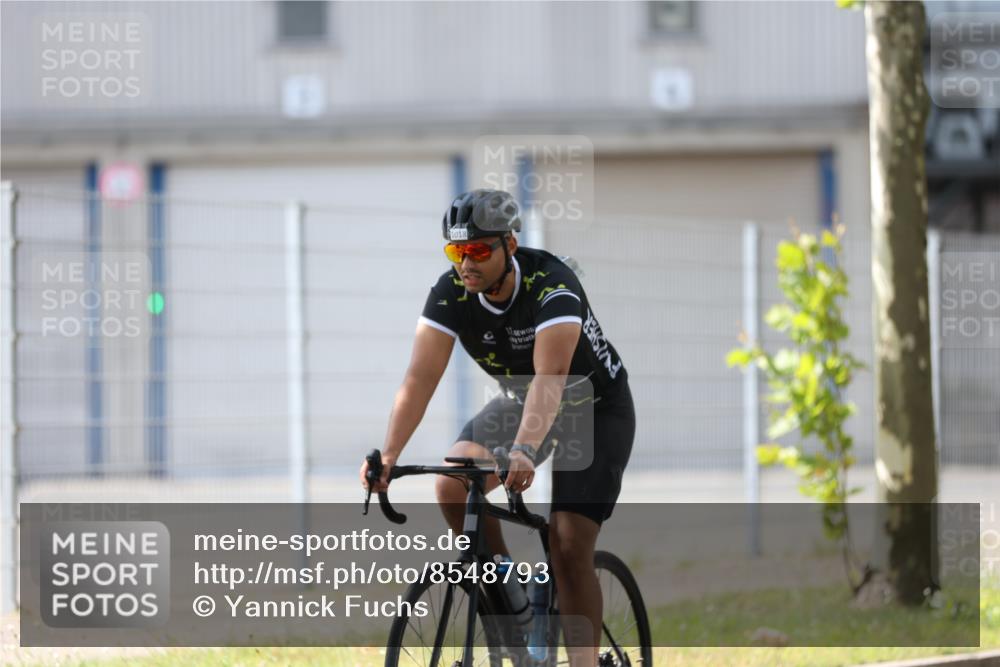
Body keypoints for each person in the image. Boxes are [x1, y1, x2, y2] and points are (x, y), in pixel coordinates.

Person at [360, 188, 635, 666]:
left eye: (479, 251)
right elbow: (420, 378)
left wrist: (525, 449)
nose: (466, 264)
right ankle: (509, 597)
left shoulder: (554, 287)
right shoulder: (451, 293)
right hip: (524, 401)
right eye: (456, 251)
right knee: (451, 483)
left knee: (568, 543)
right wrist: (388, 455)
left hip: (593, 410)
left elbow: (550, 379)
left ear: (510, 244)